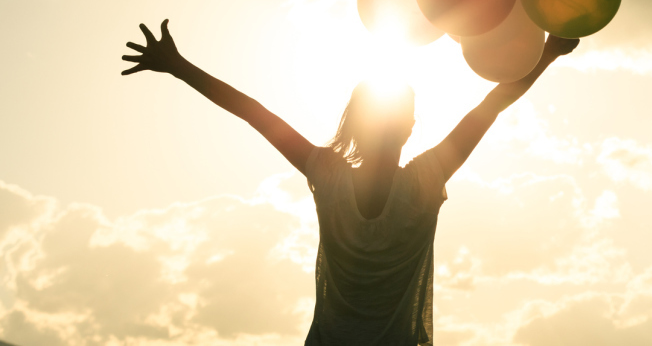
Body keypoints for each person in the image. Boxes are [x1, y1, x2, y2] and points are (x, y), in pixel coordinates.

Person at [120, 19, 579, 345]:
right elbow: (491, 105)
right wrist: (547, 54)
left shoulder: (328, 173)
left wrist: (179, 66)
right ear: (411, 127)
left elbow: (254, 113)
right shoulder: (425, 179)